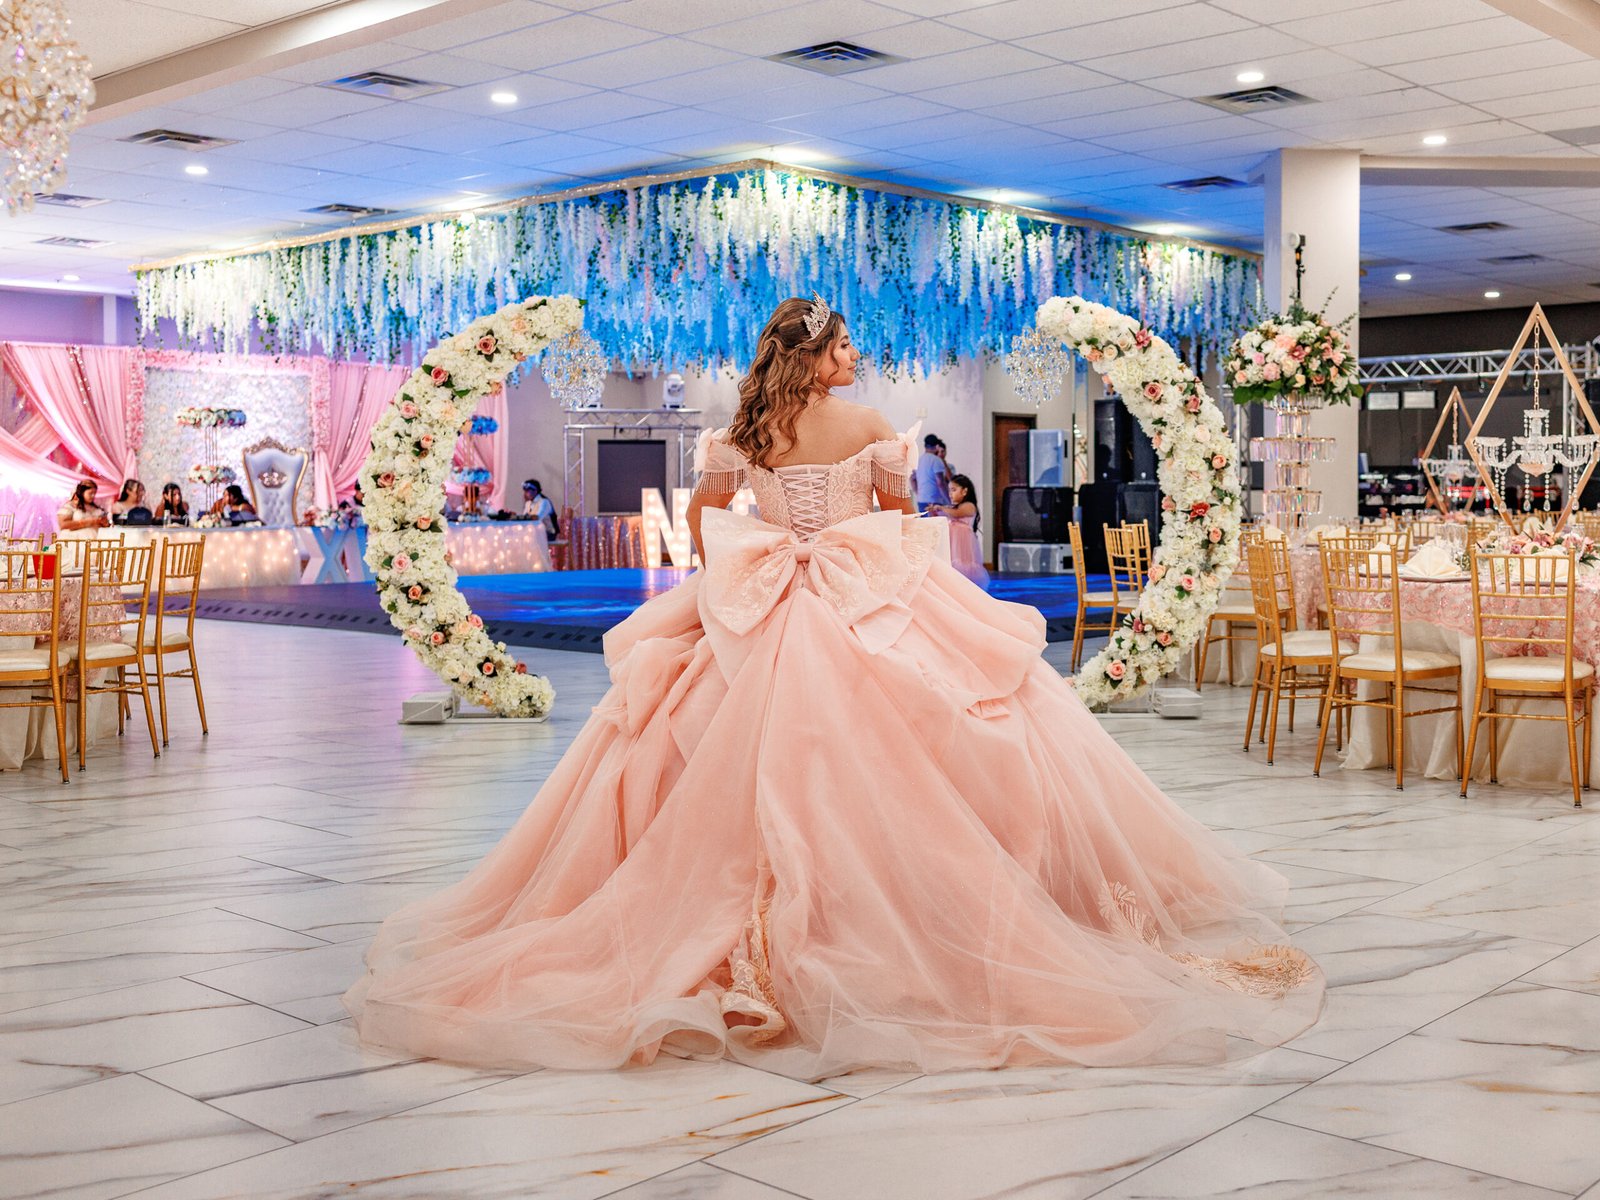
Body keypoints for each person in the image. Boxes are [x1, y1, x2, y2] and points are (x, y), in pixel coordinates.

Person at [346, 295, 1321, 1081]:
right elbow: (906, 520)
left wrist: (756, 558)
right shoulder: (865, 427)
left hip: (760, 606)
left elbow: (700, 522)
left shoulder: (743, 433)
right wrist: (872, 562)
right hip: (860, 602)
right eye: (843, 344)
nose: (853, 357)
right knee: (954, 734)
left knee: (689, 754)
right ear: (814, 355)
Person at [929, 472, 989, 588]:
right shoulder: (952, 508)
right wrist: (934, 512)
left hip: (963, 545)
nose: (950, 494)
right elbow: (943, 518)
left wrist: (941, 508)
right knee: (952, 562)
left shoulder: (969, 506)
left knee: (963, 564)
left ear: (964, 491)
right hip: (953, 543)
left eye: (954, 490)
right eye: (949, 490)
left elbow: (957, 514)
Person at [913, 432, 950, 514]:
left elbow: (912, 479)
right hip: (934, 501)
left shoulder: (918, 460)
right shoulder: (936, 460)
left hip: (921, 500)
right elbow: (940, 483)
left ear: (925, 446)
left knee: (925, 525)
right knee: (936, 525)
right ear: (936, 446)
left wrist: (918, 493)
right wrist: (949, 501)